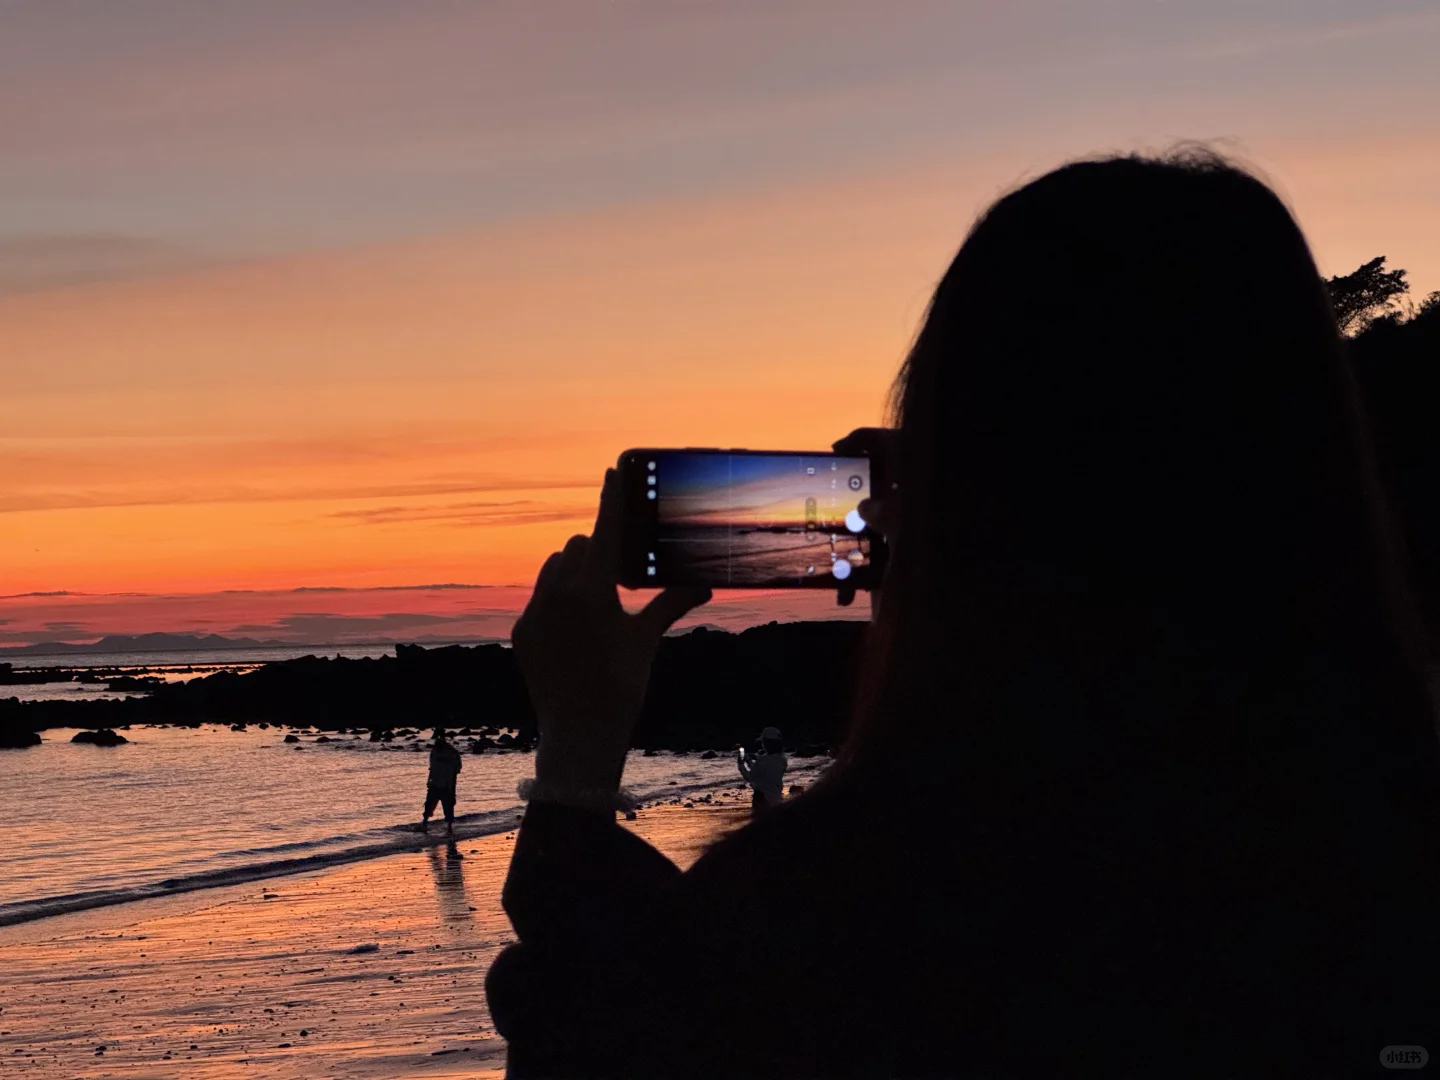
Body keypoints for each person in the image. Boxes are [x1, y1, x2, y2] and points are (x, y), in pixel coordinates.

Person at [486, 150, 1440, 1077]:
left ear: (969, 487)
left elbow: (607, 1028)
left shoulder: (844, 915)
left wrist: (576, 765)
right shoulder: (1377, 862)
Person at [736, 726, 788, 818]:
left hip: (762, 799)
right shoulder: (782, 759)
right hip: (776, 798)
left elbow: (750, 777)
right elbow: (764, 770)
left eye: (763, 742)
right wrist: (751, 761)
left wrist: (741, 765)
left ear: (766, 743)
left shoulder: (762, 761)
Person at [421, 727, 463, 834]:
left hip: (444, 783)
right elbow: (457, 768)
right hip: (442, 782)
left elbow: (432, 767)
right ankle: (445, 827)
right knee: (438, 805)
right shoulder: (452, 752)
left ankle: (427, 824)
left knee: (435, 804)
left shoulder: (442, 752)